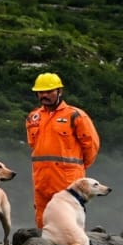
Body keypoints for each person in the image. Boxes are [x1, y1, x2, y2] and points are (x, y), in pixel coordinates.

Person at [25, 72, 100, 229]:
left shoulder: (75, 115)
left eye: (49, 91)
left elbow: (91, 145)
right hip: (42, 178)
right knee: (43, 217)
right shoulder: (33, 117)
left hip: (67, 178)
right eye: (40, 92)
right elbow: (33, 145)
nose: (44, 95)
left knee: (69, 218)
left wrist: (79, 167)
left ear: (59, 91)